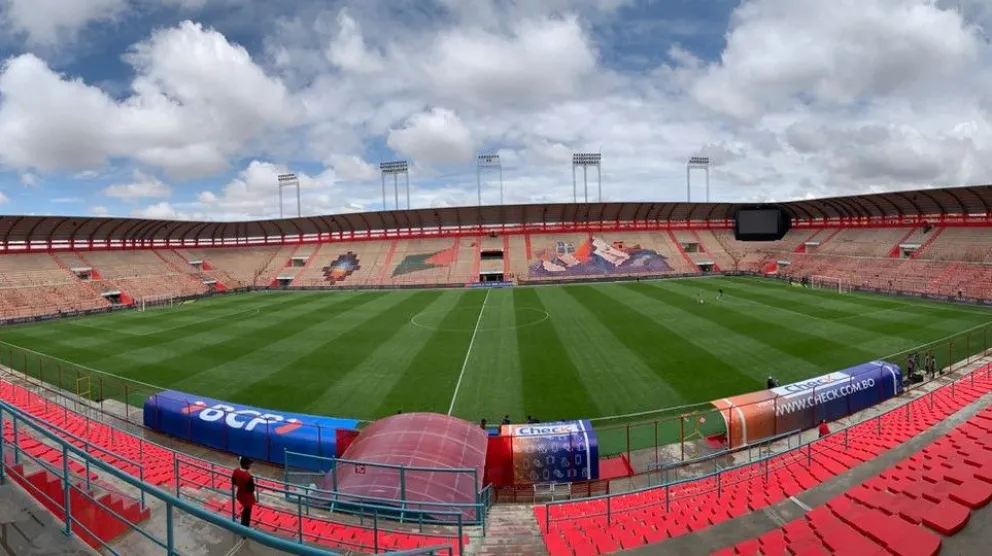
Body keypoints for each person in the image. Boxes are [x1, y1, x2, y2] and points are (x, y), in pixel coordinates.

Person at [231, 456, 257, 528]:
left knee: (245, 512)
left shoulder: (235, 471)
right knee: (247, 514)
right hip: (248, 499)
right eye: (249, 464)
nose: (250, 465)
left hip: (239, 495)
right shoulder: (248, 477)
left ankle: (243, 526)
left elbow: (234, 482)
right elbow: (251, 489)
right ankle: (244, 529)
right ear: (246, 465)